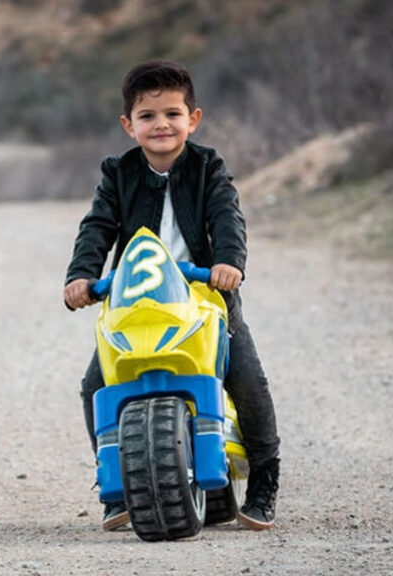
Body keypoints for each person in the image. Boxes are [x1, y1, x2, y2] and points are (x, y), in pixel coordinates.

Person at [63, 60, 281, 532]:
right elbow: (97, 227)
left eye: (172, 114)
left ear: (193, 119)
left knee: (246, 380)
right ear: (129, 125)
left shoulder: (208, 167)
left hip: (204, 297)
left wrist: (229, 263)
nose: (160, 124)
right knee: (95, 386)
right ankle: (118, 483)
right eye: (147, 116)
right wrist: (82, 276)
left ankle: (265, 480)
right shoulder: (118, 173)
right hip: (138, 301)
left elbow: (227, 216)